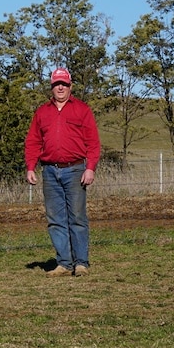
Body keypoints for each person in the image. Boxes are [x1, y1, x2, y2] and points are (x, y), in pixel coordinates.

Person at [24, 67, 101, 277]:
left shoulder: (82, 110)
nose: (60, 87)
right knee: (56, 219)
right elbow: (33, 141)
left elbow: (93, 143)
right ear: (51, 86)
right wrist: (31, 166)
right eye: (57, 84)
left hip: (75, 169)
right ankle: (64, 263)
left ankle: (81, 263)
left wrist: (90, 168)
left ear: (70, 86)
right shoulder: (42, 112)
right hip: (50, 171)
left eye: (64, 84)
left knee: (77, 217)